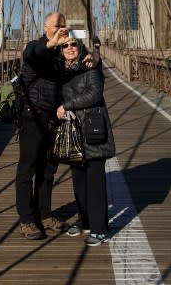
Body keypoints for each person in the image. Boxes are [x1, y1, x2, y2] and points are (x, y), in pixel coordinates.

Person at [15, 11, 71, 240]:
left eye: (64, 25)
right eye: (58, 24)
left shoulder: (62, 53)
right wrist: (51, 44)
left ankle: (45, 215)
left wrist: (89, 58)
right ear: (46, 27)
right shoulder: (36, 47)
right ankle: (27, 220)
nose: (62, 28)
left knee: (48, 170)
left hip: (53, 118)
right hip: (32, 115)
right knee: (27, 169)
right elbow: (30, 54)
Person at [56, 35, 115, 246]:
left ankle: (100, 229)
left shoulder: (90, 64)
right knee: (79, 183)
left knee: (95, 183)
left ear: (80, 47)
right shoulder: (60, 71)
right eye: (65, 45)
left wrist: (68, 105)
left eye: (74, 44)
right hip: (73, 132)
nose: (70, 47)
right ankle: (85, 220)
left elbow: (95, 94)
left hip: (92, 130)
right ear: (60, 50)